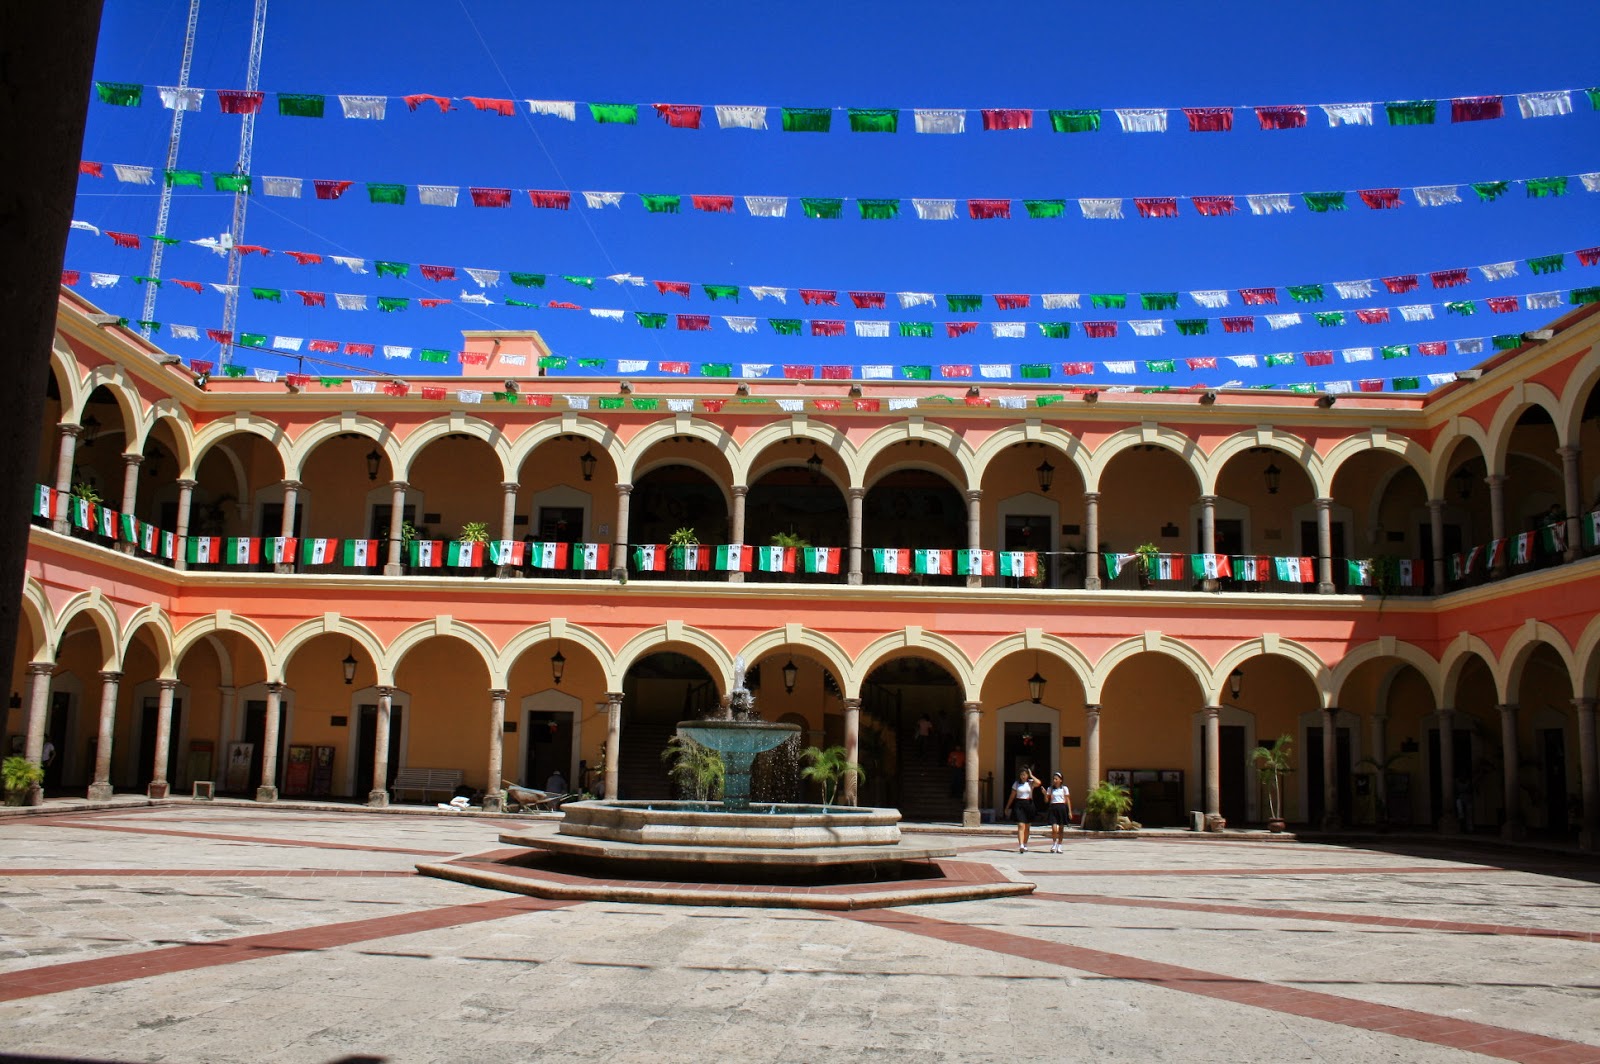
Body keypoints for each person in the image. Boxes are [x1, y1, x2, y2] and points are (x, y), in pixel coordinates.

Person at [1004, 766, 1042, 853]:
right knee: (1021, 825)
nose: (1023, 776)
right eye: (1021, 774)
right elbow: (1012, 796)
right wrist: (1007, 807)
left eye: (1025, 774)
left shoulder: (1030, 783)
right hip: (1019, 804)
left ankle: (1025, 844)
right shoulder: (1016, 784)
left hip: (1029, 804)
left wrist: (1031, 775)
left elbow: (1039, 783)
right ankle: (1021, 844)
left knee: (1027, 827)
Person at [1044, 771, 1074, 853]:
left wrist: (1070, 812)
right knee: (1054, 829)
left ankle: (1059, 845)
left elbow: (1067, 800)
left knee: (1061, 828)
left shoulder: (1064, 789)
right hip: (1053, 808)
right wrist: (1045, 794)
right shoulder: (1050, 789)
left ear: (1060, 780)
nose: (1054, 780)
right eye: (1053, 779)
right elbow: (1046, 800)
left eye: (1056, 779)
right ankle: (1054, 843)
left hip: (1062, 808)